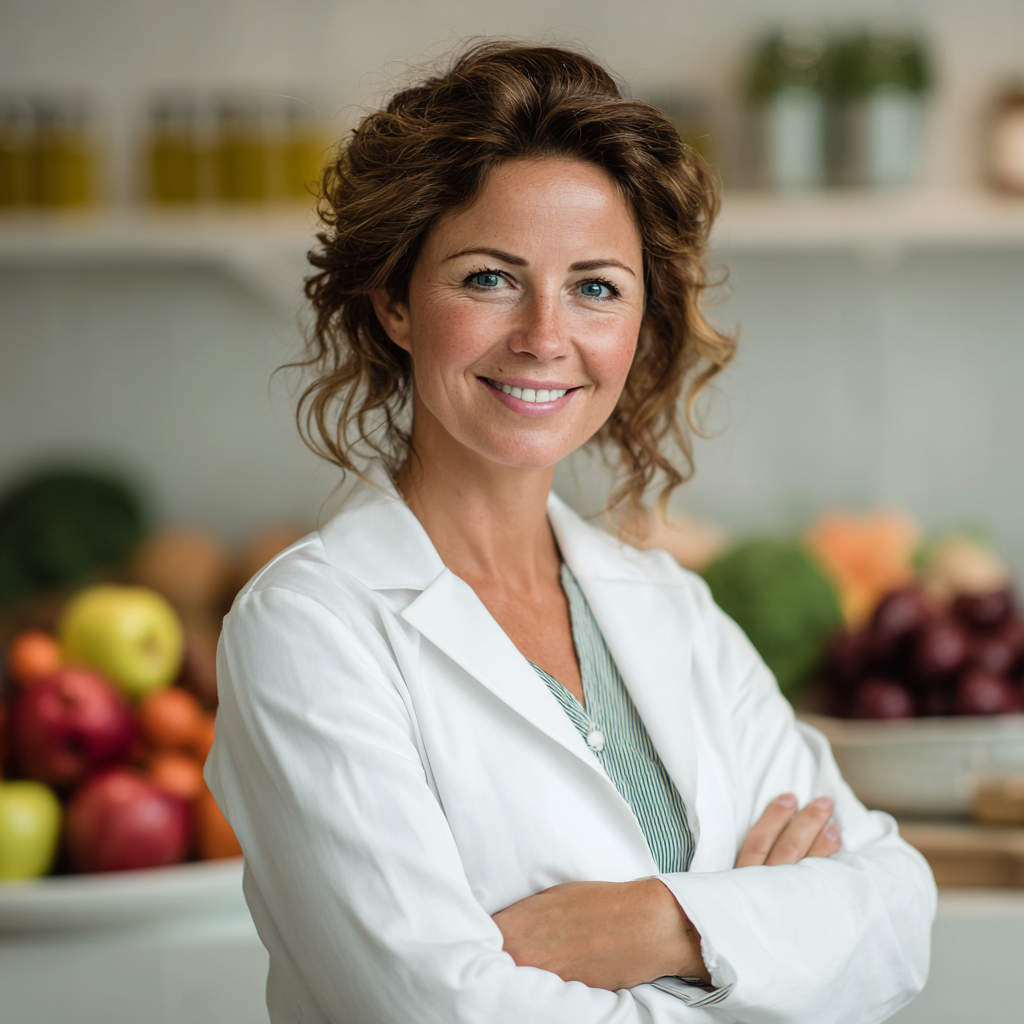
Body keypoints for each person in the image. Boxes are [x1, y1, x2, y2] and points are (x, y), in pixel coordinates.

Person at [207, 41, 935, 1024]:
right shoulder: (308, 629)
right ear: (393, 303)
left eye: (595, 286)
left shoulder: (668, 606)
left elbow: (892, 917)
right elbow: (441, 1013)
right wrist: (758, 938)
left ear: (638, 323)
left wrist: (657, 924)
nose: (544, 335)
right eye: (488, 279)